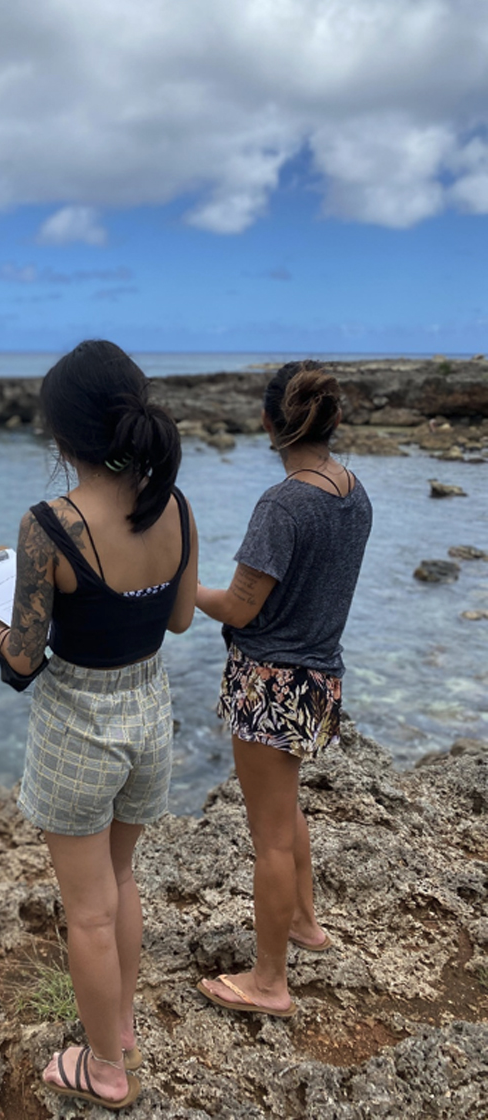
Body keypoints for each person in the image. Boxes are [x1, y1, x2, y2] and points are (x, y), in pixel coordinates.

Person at [0, 339, 198, 1110]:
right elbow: (177, 620)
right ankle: (123, 1029)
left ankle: (106, 1068)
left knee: (87, 912)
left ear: (61, 438)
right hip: (150, 715)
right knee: (121, 879)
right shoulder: (173, 503)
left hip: (80, 726)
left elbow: (21, 664)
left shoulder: (50, 526)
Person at [194, 360, 372, 1018]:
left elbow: (240, 607)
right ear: (334, 418)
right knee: (285, 808)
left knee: (268, 833)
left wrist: (177, 590)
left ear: (270, 423)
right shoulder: (355, 493)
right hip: (321, 680)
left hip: (270, 683)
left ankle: (270, 981)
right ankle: (305, 921)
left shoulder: (283, 503)